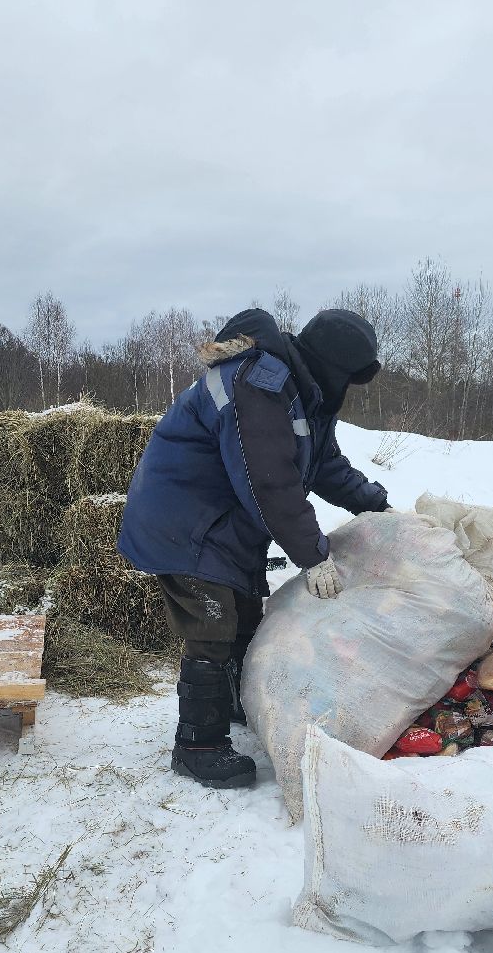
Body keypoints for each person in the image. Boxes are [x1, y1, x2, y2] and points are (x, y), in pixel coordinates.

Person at [118, 307, 390, 788]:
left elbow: (324, 466)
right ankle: (198, 745)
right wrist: (312, 554)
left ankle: (235, 705)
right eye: (349, 377)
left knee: (244, 613)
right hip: (186, 517)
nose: (347, 389)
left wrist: (376, 505)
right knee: (213, 622)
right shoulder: (260, 385)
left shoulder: (302, 395)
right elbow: (271, 483)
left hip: (223, 522)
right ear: (332, 364)